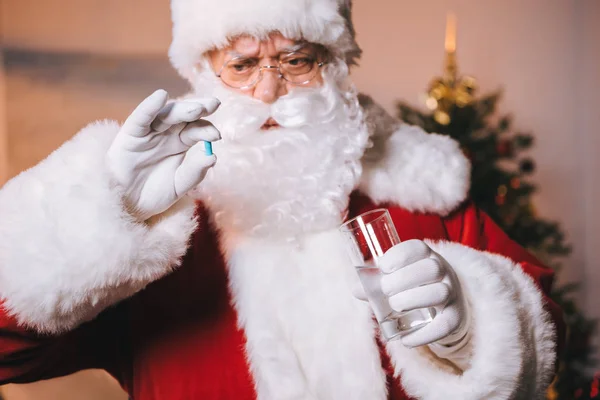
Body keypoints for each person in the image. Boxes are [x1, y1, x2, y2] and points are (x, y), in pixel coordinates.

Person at [0, 0, 564, 399]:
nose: (269, 92)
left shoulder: (422, 192)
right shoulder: (153, 222)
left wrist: (471, 325)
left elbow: (549, 339)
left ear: (337, 68)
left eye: (296, 61)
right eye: (242, 65)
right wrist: (94, 219)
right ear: (204, 77)